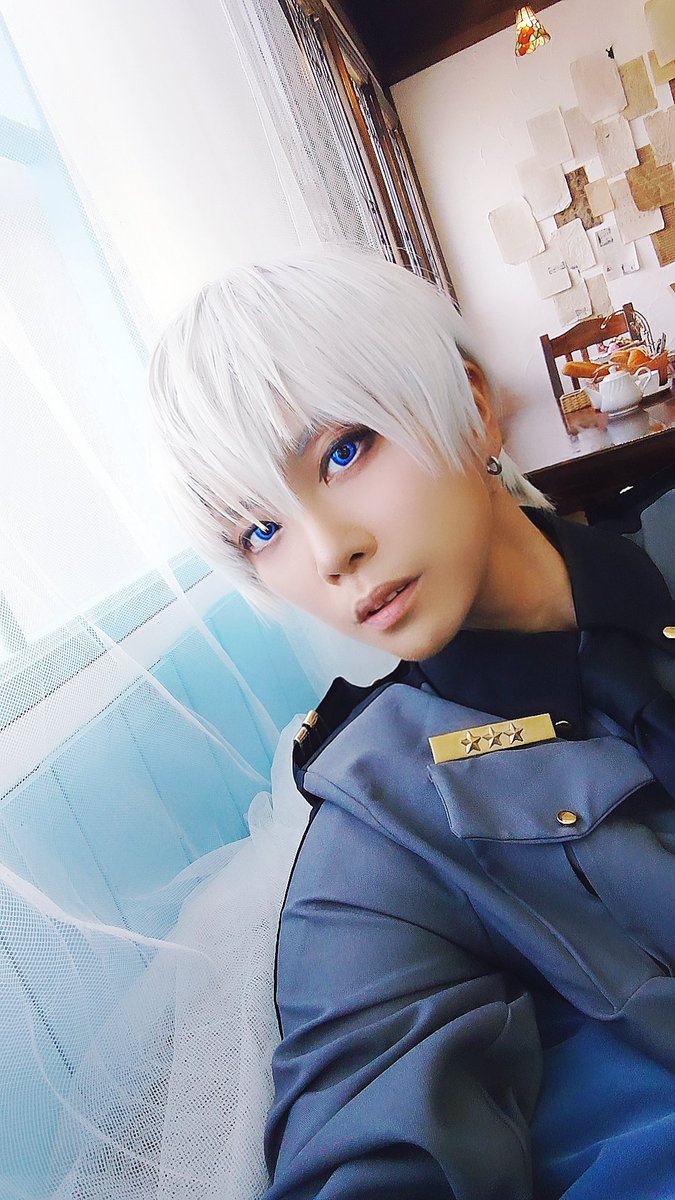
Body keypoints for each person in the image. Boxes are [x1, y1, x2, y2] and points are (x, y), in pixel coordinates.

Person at [148, 245, 675, 1200]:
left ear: (472, 408)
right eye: (260, 530)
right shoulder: (383, 816)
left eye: (342, 452)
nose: (328, 551)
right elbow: (365, 1114)